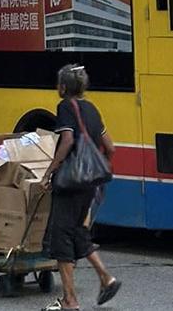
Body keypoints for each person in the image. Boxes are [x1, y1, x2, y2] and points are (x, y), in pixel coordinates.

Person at [40, 65, 121, 311]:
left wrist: (50, 170)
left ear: (63, 87)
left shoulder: (66, 107)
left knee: (61, 237)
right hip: (90, 184)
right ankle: (106, 278)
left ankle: (70, 301)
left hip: (71, 183)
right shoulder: (92, 108)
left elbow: (67, 140)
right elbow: (110, 145)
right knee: (78, 232)